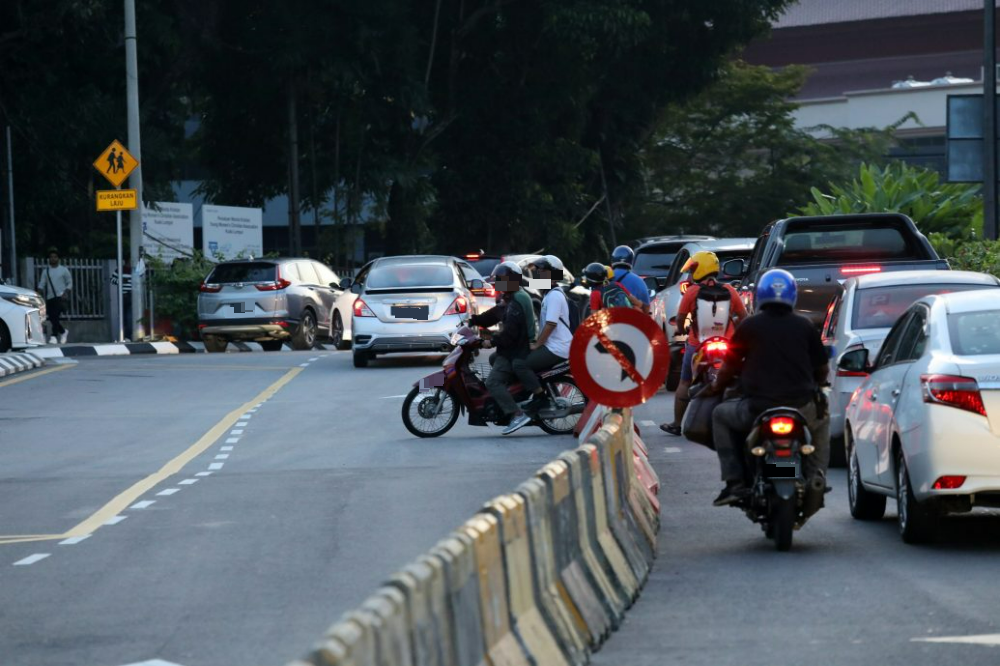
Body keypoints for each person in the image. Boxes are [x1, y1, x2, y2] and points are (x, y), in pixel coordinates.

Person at [705, 269, 830, 507]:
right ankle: (816, 476)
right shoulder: (804, 326)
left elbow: (728, 367)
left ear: (760, 294)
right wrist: (818, 384)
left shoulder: (749, 326)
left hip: (757, 407)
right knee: (822, 421)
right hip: (801, 407)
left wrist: (714, 388)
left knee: (720, 415)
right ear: (793, 295)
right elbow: (822, 370)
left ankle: (734, 482)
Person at [660, 251, 747, 436]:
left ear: (701, 269)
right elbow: (743, 316)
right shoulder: (730, 290)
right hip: (727, 344)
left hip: (697, 345)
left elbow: (682, 318)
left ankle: (676, 424)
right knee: (739, 379)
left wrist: (682, 329)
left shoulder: (692, 291)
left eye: (693, 270)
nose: (691, 275)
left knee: (684, 381)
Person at [468, 261, 538, 435]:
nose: (497, 283)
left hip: (517, 350)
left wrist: (490, 341)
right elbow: (494, 314)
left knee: (492, 382)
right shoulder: (511, 297)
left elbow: (510, 334)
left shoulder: (517, 300)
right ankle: (509, 395)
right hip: (513, 347)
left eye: (501, 279)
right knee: (492, 359)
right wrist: (473, 320)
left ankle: (516, 413)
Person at [517, 255, 572, 415]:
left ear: (553, 274)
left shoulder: (554, 295)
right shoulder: (549, 292)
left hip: (557, 348)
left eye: (542, 270)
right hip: (553, 345)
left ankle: (540, 397)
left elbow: (551, 324)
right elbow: (525, 283)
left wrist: (537, 344)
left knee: (521, 364)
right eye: (539, 270)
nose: (539, 273)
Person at [37, 249, 73, 344]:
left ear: (58, 258)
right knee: (52, 317)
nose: (53, 258)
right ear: (49, 259)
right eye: (51, 257)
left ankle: (54, 336)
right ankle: (63, 331)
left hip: (60, 297)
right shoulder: (46, 271)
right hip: (50, 298)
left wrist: (66, 292)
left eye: (55, 257)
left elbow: (69, 282)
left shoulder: (63, 270)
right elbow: (42, 284)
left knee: (55, 316)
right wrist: (38, 294)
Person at [607, 245, 651, 314]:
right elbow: (647, 308)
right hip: (631, 320)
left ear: (613, 260)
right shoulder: (638, 281)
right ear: (631, 260)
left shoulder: (604, 278)